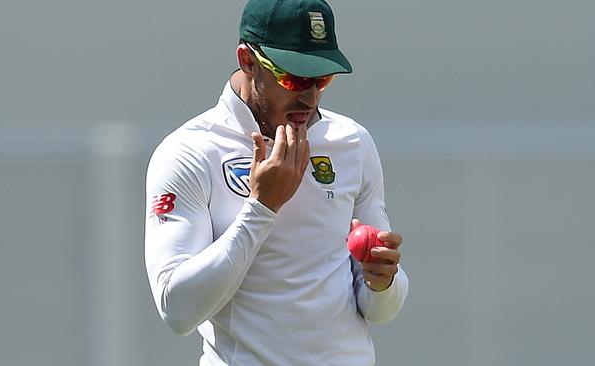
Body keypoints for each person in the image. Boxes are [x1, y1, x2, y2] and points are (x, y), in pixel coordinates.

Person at [144, 0, 408, 364]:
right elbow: (177, 310)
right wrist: (262, 207)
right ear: (247, 61)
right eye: (294, 78)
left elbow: (379, 309)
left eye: (322, 79)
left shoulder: (352, 142)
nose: (310, 96)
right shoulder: (190, 151)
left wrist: (383, 282)